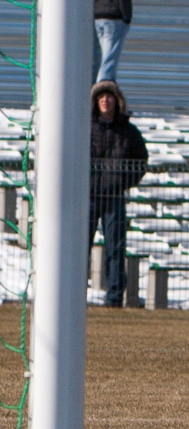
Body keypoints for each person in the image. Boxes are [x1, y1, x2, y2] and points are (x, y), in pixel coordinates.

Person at [89, 81, 148, 307]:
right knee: (80, 247)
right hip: (89, 197)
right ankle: (74, 298)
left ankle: (114, 299)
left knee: (116, 248)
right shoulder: (85, 126)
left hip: (114, 198)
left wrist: (122, 183)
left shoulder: (128, 132)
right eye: (101, 96)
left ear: (117, 101)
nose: (106, 100)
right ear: (96, 101)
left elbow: (140, 162)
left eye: (110, 96)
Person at [93, 0, 132, 83]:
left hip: (98, 15)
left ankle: (101, 82)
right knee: (110, 56)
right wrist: (127, 18)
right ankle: (104, 83)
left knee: (104, 55)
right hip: (114, 16)